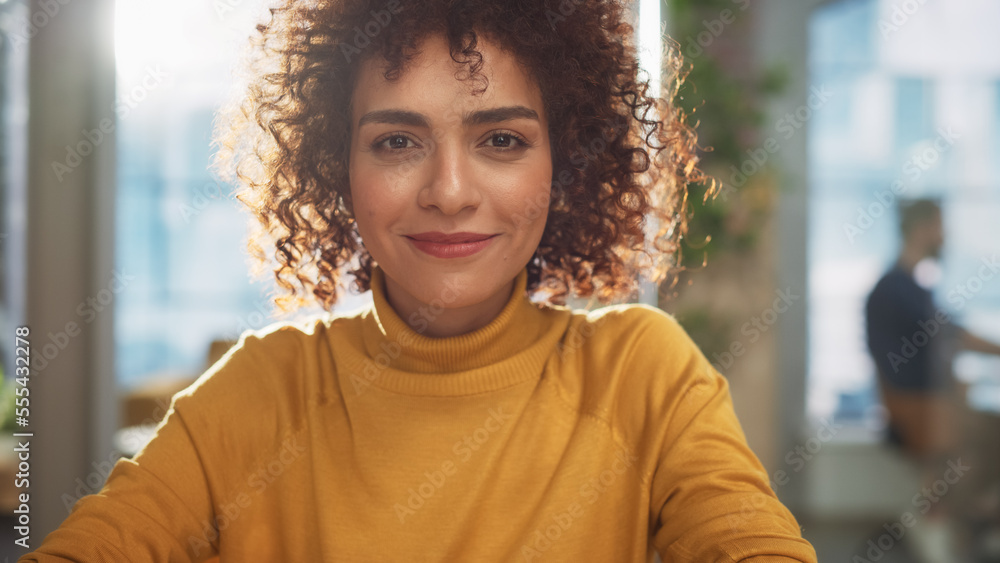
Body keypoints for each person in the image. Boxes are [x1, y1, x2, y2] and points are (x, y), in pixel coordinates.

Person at [21, 0, 817, 560]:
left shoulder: (640, 374)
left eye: (500, 138)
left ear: (563, 161)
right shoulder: (256, 395)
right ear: (338, 167)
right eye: (398, 142)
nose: (449, 191)